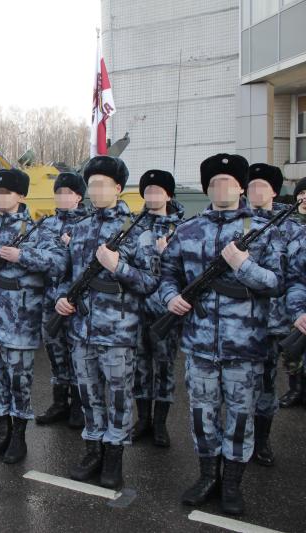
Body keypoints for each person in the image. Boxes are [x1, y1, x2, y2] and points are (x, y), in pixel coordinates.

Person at [160, 153, 284, 515]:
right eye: (215, 182)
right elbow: (168, 274)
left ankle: (231, 483)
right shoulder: (188, 230)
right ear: (207, 188)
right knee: (202, 415)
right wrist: (171, 298)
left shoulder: (264, 229)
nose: (222, 186)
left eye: (229, 180)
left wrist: (243, 267)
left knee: (241, 416)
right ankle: (207, 476)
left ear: (241, 186)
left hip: (244, 345)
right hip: (199, 345)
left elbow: (276, 282)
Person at [54, 155, 160, 490]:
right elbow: (67, 274)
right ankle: (93, 450)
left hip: (118, 331)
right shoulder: (82, 227)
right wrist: (60, 297)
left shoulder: (138, 230)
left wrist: (118, 268)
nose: (97, 190)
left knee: (117, 396)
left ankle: (114, 456)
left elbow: (150, 282)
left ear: (118, 187)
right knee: (88, 394)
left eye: (104, 184)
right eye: (93, 184)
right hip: (82, 330)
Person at [0, 167, 65, 463]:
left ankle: (18, 437)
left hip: (19, 322)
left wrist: (23, 256)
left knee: (19, 381)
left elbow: (59, 262)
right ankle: (1, 432)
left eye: (8, 193)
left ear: (22, 195)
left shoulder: (38, 229)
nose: (1, 198)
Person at [246, 163, 302, 466]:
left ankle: (262, 440)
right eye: (251, 185)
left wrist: (296, 312)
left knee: (266, 384)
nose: (256, 191)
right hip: (236, 320)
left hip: (271, 321)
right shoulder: (233, 222)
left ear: (274, 191)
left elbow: (296, 277)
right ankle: (237, 441)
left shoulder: (292, 229)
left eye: (262, 186)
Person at [131, 170, 185, 447]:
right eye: (148, 190)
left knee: (164, 367)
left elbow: (189, 269)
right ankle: (143, 419)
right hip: (138, 308)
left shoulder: (184, 227)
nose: (152, 195)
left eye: (158, 190)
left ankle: (160, 424)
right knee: (140, 366)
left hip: (166, 311)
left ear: (169, 194)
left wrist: (167, 254)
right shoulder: (132, 225)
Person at [35, 172, 90, 429]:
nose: (61, 197)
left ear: (78, 196)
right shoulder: (45, 224)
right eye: (58, 192)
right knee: (55, 351)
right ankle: (60, 403)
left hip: (78, 302)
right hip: (50, 298)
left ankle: (79, 406)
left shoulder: (90, 223)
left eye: (67, 192)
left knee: (77, 353)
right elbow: (38, 255)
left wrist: (72, 245)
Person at [279, 176, 306, 408]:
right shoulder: (287, 223)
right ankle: (295, 389)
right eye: (301, 194)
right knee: (292, 348)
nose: (304, 197)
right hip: (293, 295)